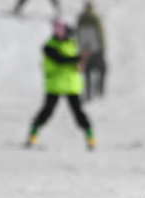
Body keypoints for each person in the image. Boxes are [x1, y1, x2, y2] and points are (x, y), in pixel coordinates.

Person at [26, 20, 96, 149]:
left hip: (71, 85)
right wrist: (78, 58)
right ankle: (33, 136)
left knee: (78, 113)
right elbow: (60, 59)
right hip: (55, 84)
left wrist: (82, 63)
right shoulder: (49, 47)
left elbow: (80, 63)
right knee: (47, 111)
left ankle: (90, 138)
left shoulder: (73, 44)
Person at [77, 2, 107, 100]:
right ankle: (101, 92)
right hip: (96, 49)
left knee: (87, 71)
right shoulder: (95, 18)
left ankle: (88, 93)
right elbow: (100, 33)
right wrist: (103, 47)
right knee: (103, 69)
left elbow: (78, 34)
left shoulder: (80, 19)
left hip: (85, 49)